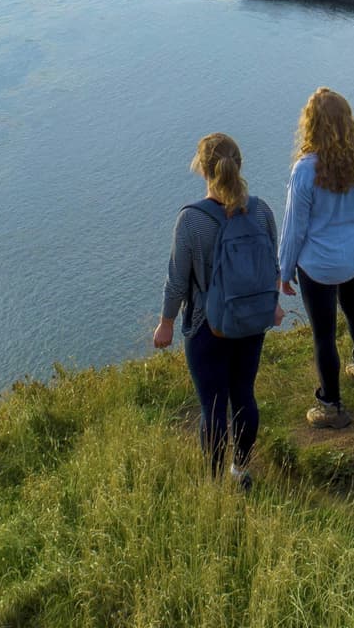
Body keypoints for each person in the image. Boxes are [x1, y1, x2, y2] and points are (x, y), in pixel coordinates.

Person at [152, 133, 283, 487]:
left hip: (206, 326)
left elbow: (178, 281)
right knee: (244, 394)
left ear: (202, 169)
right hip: (251, 323)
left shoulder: (191, 221)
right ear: (238, 165)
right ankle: (240, 471)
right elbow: (273, 265)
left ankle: (212, 484)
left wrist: (165, 323)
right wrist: (274, 304)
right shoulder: (261, 210)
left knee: (213, 406)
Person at [277, 87, 354, 428]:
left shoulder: (305, 170)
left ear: (312, 125)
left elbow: (294, 228)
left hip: (320, 265)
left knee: (323, 333)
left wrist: (285, 269)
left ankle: (331, 405)